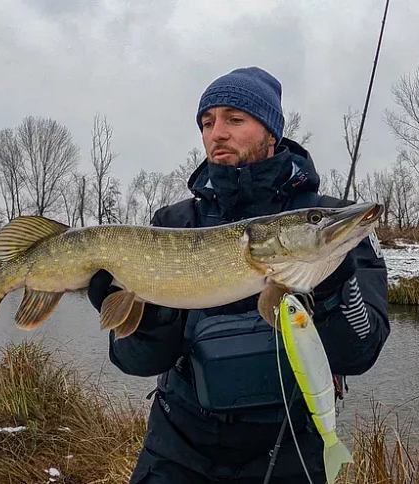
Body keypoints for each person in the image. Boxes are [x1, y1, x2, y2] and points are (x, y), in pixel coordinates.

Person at [87, 66, 390, 483]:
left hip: (290, 445)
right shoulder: (173, 223)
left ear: (271, 133)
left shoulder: (328, 224)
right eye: (207, 122)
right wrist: (145, 314)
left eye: (234, 119)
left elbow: (362, 353)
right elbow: (134, 361)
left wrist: (336, 288)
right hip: (180, 443)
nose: (217, 133)